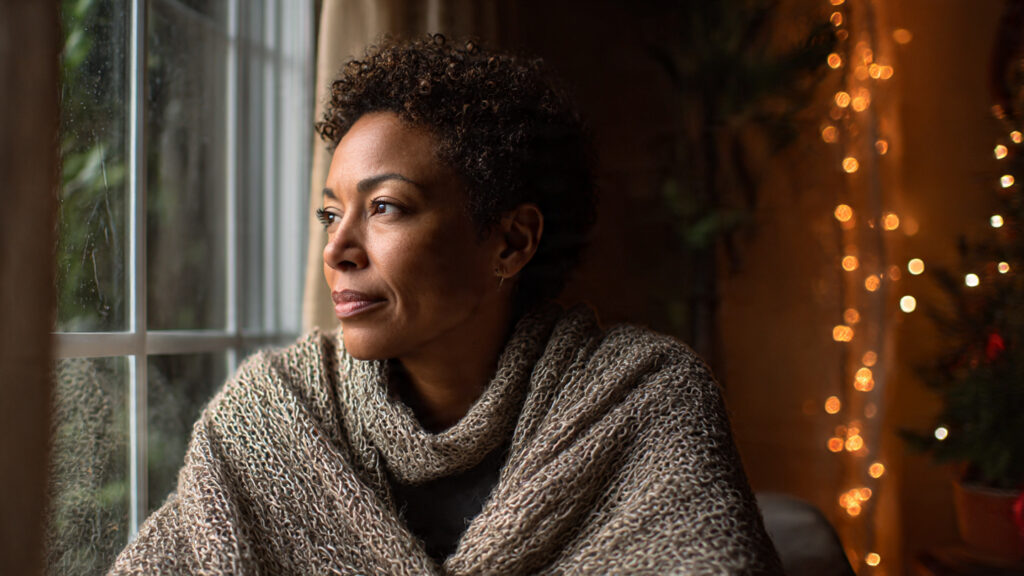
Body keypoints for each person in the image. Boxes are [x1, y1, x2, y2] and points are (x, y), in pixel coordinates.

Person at [109, 35, 782, 575]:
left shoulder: (645, 400)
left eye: (385, 208)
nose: (338, 249)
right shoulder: (270, 418)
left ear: (511, 242)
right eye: (329, 214)